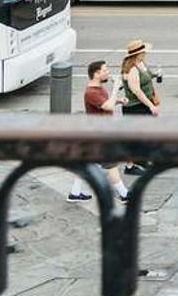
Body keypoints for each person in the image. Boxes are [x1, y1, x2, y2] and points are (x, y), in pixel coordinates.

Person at [68, 60, 131, 203]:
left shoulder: (98, 89)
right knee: (111, 164)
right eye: (105, 70)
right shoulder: (91, 92)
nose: (108, 72)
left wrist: (119, 101)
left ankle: (74, 193)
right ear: (96, 74)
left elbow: (105, 103)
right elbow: (107, 106)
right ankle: (124, 194)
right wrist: (116, 88)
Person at [120, 39, 161, 173]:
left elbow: (147, 76)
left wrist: (156, 74)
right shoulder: (131, 69)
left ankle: (141, 159)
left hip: (143, 105)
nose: (146, 53)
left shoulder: (141, 63)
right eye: (144, 52)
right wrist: (151, 106)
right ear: (138, 54)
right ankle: (129, 166)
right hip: (135, 107)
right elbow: (136, 91)